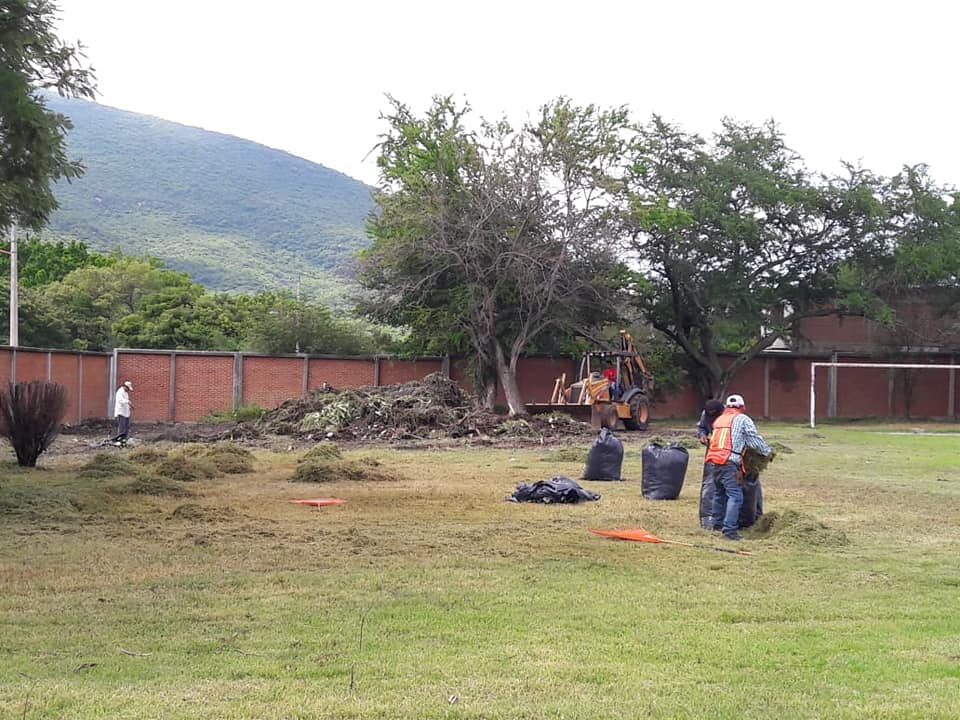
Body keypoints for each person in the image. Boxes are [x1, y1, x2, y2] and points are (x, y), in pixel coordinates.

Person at [704, 394, 772, 541]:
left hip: (714, 461)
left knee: (719, 494)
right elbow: (753, 439)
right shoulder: (742, 419)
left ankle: (716, 525)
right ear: (742, 407)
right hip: (729, 462)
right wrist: (767, 452)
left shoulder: (720, 419)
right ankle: (729, 531)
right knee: (735, 496)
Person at [696, 399, 725, 529]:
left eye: (713, 414)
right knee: (709, 483)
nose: (710, 416)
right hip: (712, 449)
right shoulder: (705, 414)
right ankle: (708, 519)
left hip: (726, 450)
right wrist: (702, 435)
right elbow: (701, 427)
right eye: (709, 414)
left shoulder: (727, 416)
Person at [110, 380, 134, 447]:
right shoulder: (120, 392)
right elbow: (121, 400)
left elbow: (126, 402)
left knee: (126, 427)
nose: (128, 390)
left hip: (126, 412)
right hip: (121, 412)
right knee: (122, 428)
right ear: (125, 386)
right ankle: (119, 440)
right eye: (128, 388)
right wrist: (128, 402)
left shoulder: (125, 393)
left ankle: (124, 440)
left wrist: (129, 406)